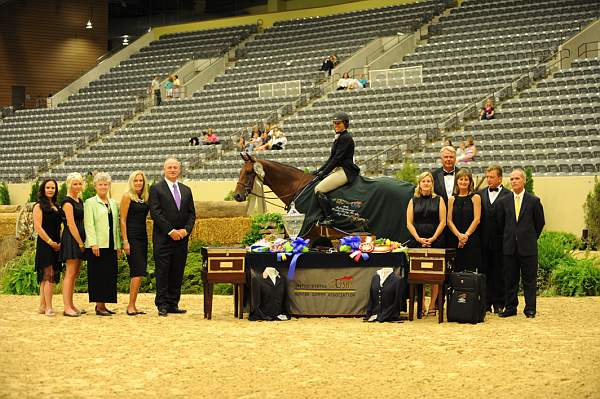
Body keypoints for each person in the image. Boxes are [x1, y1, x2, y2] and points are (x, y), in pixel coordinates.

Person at [149, 158, 196, 316]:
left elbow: (192, 214)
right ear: (164, 169)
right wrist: (171, 231)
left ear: (179, 169)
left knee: (177, 271)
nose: (172, 170)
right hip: (163, 239)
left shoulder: (186, 190)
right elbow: (156, 213)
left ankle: (173, 303)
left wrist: (185, 230)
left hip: (182, 239)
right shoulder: (156, 188)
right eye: (169, 167)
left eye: (175, 167)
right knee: (163, 271)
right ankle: (162, 304)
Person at [497, 168, 545, 318]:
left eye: (517, 178)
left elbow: (540, 223)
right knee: (510, 279)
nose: (514, 181)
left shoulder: (534, 201)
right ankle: (510, 307)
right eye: (511, 179)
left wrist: (529, 237)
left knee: (529, 280)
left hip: (528, 248)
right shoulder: (503, 201)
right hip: (509, 247)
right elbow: (500, 224)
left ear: (524, 180)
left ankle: (530, 308)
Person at [406, 171, 446, 316]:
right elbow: (409, 223)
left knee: (435, 275)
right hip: (417, 241)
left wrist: (433, 238)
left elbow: (443, 221)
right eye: (423, 181)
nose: (426, 183)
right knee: (419, 275)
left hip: (436, 240)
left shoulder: (439, 199)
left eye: (429, 181)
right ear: (419, 184)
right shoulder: (412, 200)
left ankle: (432, 306)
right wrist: (418, 238)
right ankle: (421, 305)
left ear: (432, 184)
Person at [84, 172, 122, 316]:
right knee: (98, 275)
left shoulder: (112, 203)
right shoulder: (90, 202)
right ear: (95, 186)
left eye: (106, 184)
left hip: (110, 244)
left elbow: (116, 226)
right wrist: (93, 243)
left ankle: (104, 305)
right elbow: (89, 225)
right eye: (100, 184)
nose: (103, 187)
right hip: (97, 246)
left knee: (109, 275)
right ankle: (98, 306)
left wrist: (118, 245)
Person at [312, 111, 360, 225]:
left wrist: (324, 173)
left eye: (338, 123)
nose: (336, 125)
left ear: (345, 124)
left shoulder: (346, 138)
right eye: (334, 123)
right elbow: (331, 158)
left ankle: (330, 218)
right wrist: (320, 171)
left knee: (319, 189)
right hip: (338, 169)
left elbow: (337, 159)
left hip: (345, 171)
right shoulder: (339, 137)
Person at [477, 165, 511, 313]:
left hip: (501, 242)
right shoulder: (479, 194)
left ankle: (499, 303)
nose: (489, 180)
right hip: (483, 243)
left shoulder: (508, 195)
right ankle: (485, 302)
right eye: (487, 177)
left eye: (492, 177)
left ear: (500, 178)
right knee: (484, 273)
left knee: (500, 273)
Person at [120, 171, 150, 316]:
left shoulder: (144, 198)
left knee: (140, 271)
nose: (139, 183)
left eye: (141, 181)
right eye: (136, 180)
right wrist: (125, 241)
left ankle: (133, 304)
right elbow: (122, 220)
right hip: (131, 238)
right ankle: (130, 306)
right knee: (137, 271)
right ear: (131, 182)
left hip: (142, 237)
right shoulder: (127, 197)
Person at [33, 179, 62, 317]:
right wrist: (51, 242)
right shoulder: (38, 206)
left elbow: (60, 226)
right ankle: (49, 307)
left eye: (53, 188)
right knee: (49, 274)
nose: (50, 190)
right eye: (48, 187)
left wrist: (60, 242)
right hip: (46, 244)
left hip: (56, 244)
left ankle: (42, 305)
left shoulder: (56, 205)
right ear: (43, 189)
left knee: (47, 276)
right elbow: (38, 227)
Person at [60, 172, 86, 317]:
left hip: (79, 239)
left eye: (79, 183)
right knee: (70, 273)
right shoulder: (67, 202)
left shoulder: (79, 200)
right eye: (74, 183)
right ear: (69, 184)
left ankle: (71, 304)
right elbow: (70, 224)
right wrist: (80, 243)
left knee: (75, 273)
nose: (77, 186)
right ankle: (66, 307)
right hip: (72, 239)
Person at [447, 169, 482, 272]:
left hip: (471, 239)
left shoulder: (476, 197)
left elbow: (477, 219)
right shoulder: (451, 199)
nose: (463, 182)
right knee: (456, 269)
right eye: (461, 179)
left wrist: (466, 235)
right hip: (455, 239)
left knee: (471, 270)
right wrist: (459, 236)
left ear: (470, 182)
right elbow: (449, 221)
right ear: (457, 181)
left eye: (466, 179)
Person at [431, 146, 460, 247]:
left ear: (455, 158)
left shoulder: (463, 175)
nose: (448, 159)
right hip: (437, 222)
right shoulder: (433, 176)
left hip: (458, 222)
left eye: (451, 157)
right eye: (446, 157)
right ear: (441, 159)